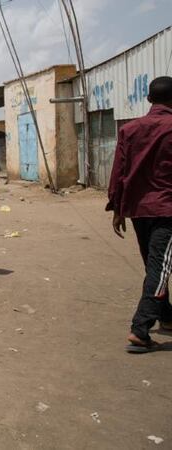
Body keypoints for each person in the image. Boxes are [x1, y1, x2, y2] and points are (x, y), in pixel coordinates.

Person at [107, 76, 172, 353]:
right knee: (159, 267)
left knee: (154, 264)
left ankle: (167, 317)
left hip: (137, 209)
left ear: (148, 99)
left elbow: (118, 172)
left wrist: (117, 209)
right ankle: (140, 329)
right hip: (166, 208)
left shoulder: (130, 130)